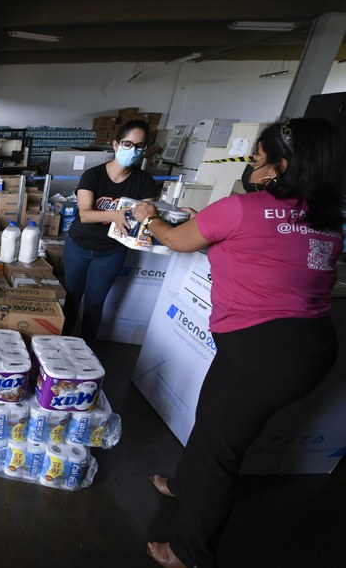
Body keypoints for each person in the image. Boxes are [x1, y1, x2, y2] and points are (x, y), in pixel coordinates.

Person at [131, 118, 344, 568]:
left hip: (261, 352)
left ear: (281, 166)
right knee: (211, 420)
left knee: (218, 451)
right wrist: (206, 224)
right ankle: (184, 485)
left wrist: (150, 218)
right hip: (310, 345)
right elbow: (261, 251)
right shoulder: (327, 218)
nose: (254, 167)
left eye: (260, 159)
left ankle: (190, 552)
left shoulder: (242, 208)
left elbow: (174, 239)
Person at [62, 119, 158, 344]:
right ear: (116, 145)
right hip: (78, 246)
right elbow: (85, 215)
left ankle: (85, 351)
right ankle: (62, 345)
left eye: (139, 146)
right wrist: (114, 215)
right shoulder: (93, 175)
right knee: (72, 297)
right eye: (127, 144)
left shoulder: (144, 181)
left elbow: (147, 215)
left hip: (111, 251)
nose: (132, 150)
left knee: (94, 303)